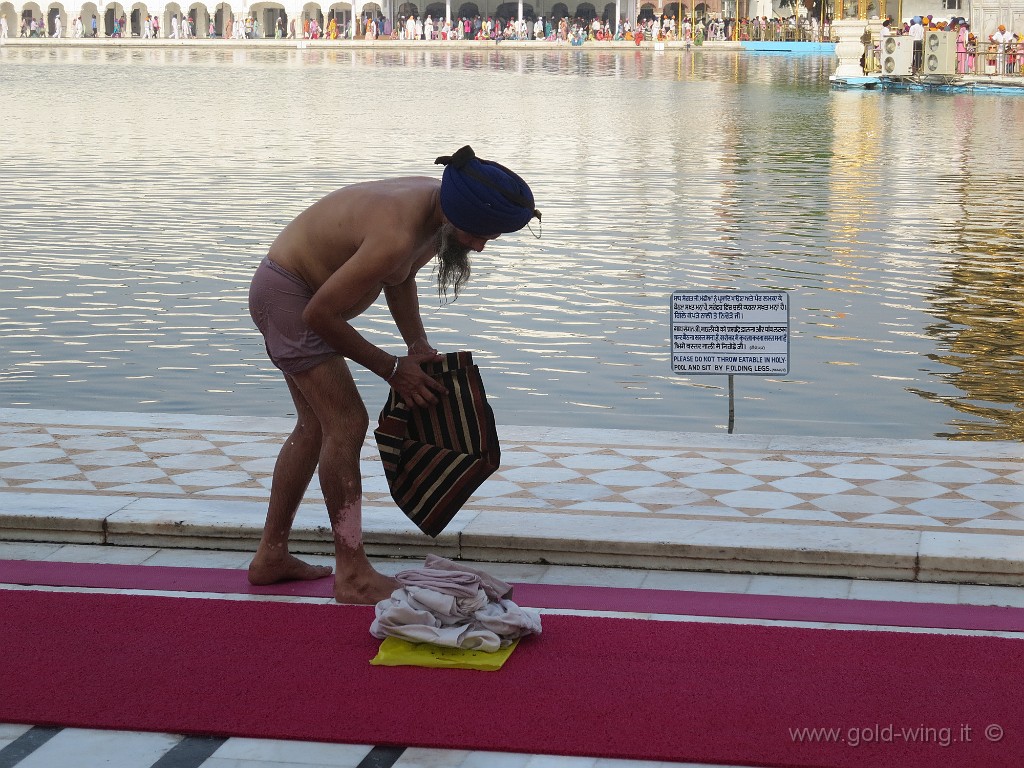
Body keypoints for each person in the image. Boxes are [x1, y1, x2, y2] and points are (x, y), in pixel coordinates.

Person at [246, 146, 539, 604]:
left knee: (314, 427)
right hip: (290, 298)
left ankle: (270, 557)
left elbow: (398, 279)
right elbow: (319, 314)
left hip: (293, 296)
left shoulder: (433, 209)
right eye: (479, 234)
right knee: (347, 424)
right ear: (455, 212)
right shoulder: (397, 231)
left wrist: (416, 345)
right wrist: (392, 369)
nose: (480, 246)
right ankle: (353, 574)